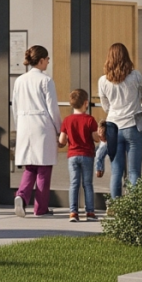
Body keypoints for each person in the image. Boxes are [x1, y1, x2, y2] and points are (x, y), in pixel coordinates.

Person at [12, 45, 61, 218]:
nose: (48, 61)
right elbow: (52, 108)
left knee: (30, 167)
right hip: (42, 124)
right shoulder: (46, 80)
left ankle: (21, 196)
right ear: (41, 60)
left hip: (25, 124)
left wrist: (19, 127)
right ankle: (40, 209)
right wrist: (59, 129)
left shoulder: (19, 80)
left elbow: (15, 107)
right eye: (47, 59)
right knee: (44, 168)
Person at [99, 43, 142, 199]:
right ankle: (131, 206)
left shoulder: (103, 81)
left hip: (113, 127)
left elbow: (105, 105)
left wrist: (114, 112)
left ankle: (115, 206)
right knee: (134, 171)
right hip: (133, 125)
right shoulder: (136, 76)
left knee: (116, 171)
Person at [58, 89, 103, 222]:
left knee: (74, 184)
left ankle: (73, 212)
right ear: (86, 103)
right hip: (87, 155)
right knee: (87, 184)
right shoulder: (90, 120)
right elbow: (96, 138)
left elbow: (62, 140)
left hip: (72, 155)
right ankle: (89, 212)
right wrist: (99, 134)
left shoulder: (67, 120)